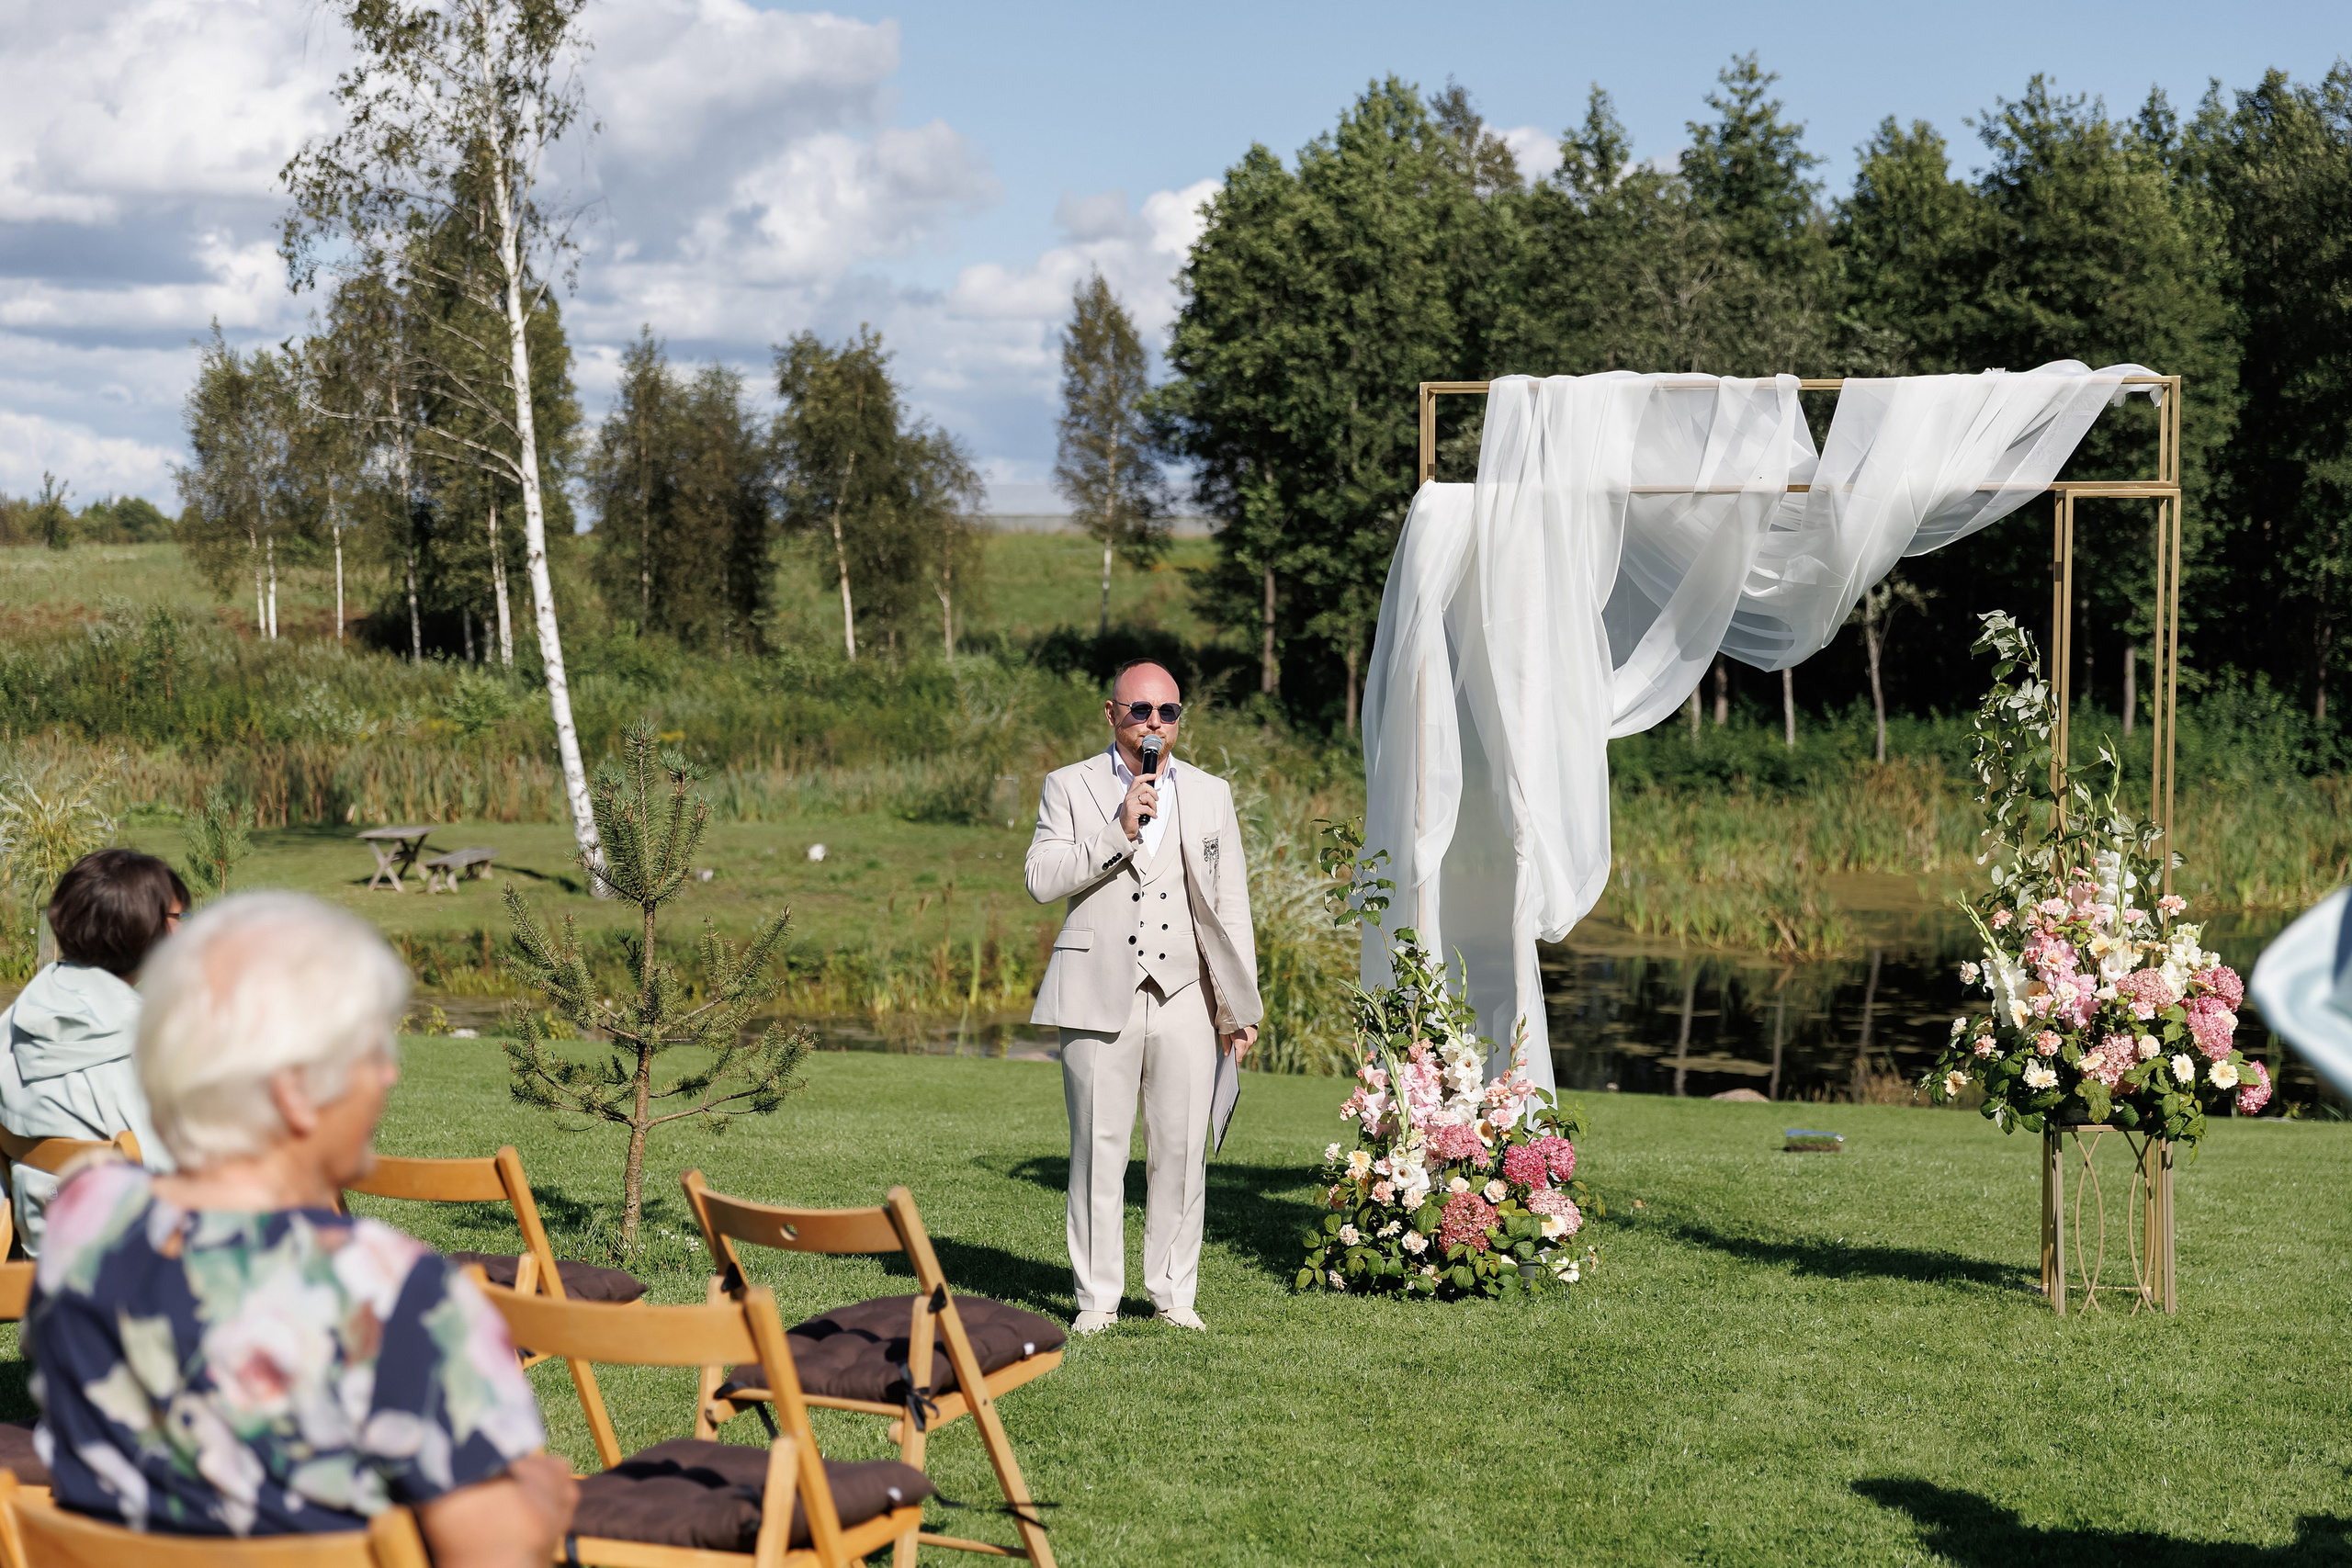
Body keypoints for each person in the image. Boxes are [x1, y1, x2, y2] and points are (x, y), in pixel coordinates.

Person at [22, 892, 575, 1566]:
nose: (389, 1071)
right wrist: (541, 1506)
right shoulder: (396, 1291)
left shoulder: (86, 1221)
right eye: (369, 1049)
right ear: (292, 1089)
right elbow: (494, 1553)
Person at [1024, 660, 1261, 1334]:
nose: (1154, 723)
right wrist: (1118, 830)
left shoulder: (1212, 794)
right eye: (1140, 711)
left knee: (1182, 1147)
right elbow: (1041, 878)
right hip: (1098, 989)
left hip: (1185, 989)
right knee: (1098, 1147)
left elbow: (1232, 904)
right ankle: (1096, 1299)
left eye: (1168, 712)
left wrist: (1237, 1005)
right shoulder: (1068, 785)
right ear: (1111, 714)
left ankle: (1173, 1293)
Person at [0, 848, 184, 1255]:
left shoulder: (17, 1017)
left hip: (41, 1236)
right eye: (178, 918)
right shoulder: (142, 1040)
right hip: (126, 1251)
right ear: (143, 929)